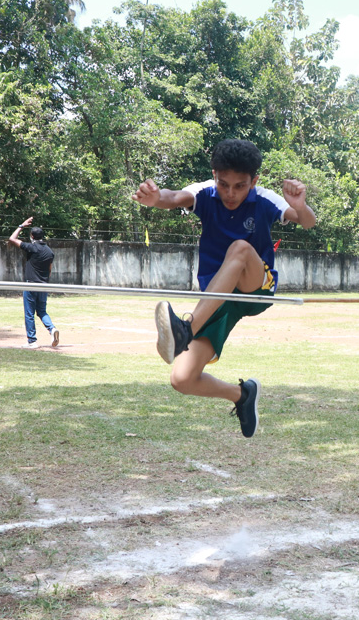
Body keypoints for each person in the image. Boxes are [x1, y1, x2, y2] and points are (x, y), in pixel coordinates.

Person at [131, 139, 316, 438]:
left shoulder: (265, 199)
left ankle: (185, 329)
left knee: (239, 248)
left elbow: (307, 222)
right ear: (214, 175)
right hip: (217, 300)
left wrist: (300, 206)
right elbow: (173, 197)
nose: (230, 194)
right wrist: (154, 199)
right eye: (224, 184)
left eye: (240, 186)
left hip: (255, 287)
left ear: (253, 181)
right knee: (182, 379)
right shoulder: (206, 192)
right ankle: (242, 395)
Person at [8, 219, 59, 349]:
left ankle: (32, 341)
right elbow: (49, 270)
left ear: (32, 236)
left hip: (31, 285)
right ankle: (52, 329)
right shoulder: (49, 251)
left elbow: (12, 239)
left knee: (29, 313)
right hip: (43, 285)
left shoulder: (31, 247)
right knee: (42, 311)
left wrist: (21, 225)